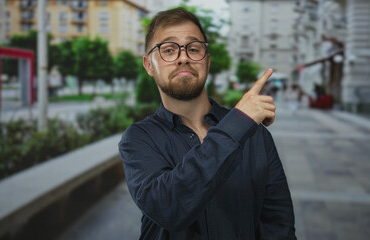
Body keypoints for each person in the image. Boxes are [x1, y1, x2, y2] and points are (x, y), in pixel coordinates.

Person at [118, 7, 296, 240]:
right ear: (149, 65)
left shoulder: (255, 135)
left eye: (194, 49)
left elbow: (279, 227)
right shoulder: (139, 139)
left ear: (207, 61)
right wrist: (238, 123)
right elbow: (167, 207)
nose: (183, 57)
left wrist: (240, 124)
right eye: (169, 50)